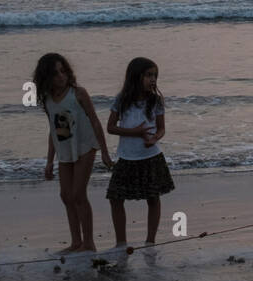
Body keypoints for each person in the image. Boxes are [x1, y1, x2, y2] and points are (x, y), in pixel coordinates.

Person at [34, 53, 112, 254]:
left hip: (85, 145)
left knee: (78, 194)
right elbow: (53, 130)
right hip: (65, 148)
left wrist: (104, 151)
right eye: (55, 74)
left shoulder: (78, 93)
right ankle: (76, 242)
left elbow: (94, 121)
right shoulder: (48, 99)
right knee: (65, 195)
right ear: (46, 78)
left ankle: (89, 243)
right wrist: (49, 161)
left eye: (63, 71)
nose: (61, 76)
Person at [105, 57, 175, 252]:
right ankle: (121, 242)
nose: (153, 79)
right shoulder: (122, 99)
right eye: (148, 75)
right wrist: (134, 132)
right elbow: (110, 127)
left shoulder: (155, 100)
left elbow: (161, 128)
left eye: (155, 76)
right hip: (127, 157)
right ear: (136, 76)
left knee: (153, 197)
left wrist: (154, 139)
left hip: (151, 156)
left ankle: (150, 241)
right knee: (116, 197)